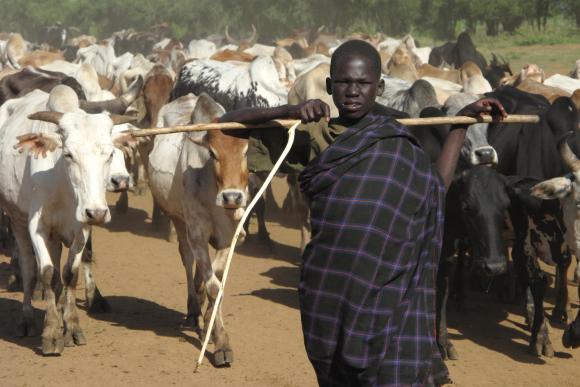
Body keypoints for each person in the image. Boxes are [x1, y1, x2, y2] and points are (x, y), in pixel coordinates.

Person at [220, 40, 506, 387]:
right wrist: (290, 110)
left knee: (393, 374)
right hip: (331, 289)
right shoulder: (315, 134)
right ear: (329, 86)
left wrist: (461, 124)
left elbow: (435, 188)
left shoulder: (399, 137)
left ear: (379, 87)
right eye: (343, 82)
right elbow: (228, 125)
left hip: (391, 287)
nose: (352, 91)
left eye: (363, 83)